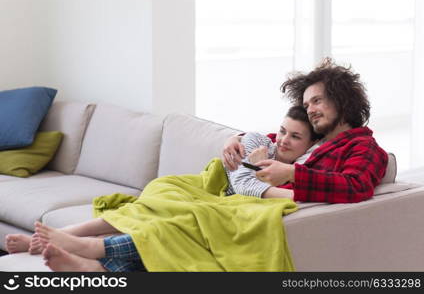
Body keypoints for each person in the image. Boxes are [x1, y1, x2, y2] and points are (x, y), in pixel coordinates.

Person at [5, 106, 321, 271]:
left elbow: (247, 193)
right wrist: (250, 161)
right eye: (282, 131)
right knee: (155, 197)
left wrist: (265, 173)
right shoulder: (256, 141)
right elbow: (239, 182)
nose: (283, 140)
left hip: (226, 205)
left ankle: (93, 261)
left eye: (295, 137)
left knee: (171, 228)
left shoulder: (302, 169)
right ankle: (72, 236)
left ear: (309, 145)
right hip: (205, 189)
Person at [222, 57, 388, 203]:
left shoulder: (364, 146)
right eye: (307, 105)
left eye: (317, 101)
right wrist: (236, 139)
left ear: (341, 101)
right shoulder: (317, 140)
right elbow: (276, 140)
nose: (310, 110)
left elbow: (355, 186)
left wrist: (292, 173)